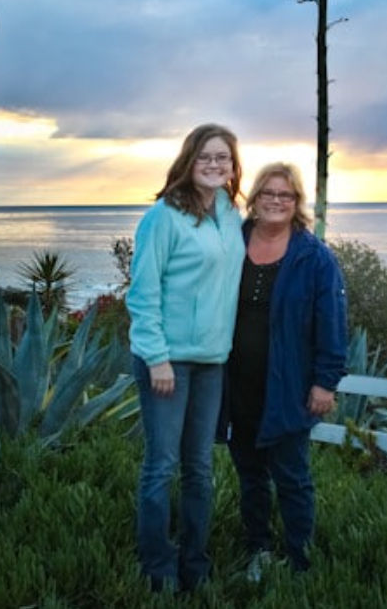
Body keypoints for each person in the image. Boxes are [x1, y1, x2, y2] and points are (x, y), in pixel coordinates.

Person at [126, 123, 245, 594]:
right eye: (206, 157)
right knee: (161, 465)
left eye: (224, 158)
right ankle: (158, 565)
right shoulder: (163, 216)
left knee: (200, 467)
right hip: (167, 363)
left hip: (212, 362)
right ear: (188, 162)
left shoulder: (230, 214)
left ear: (234, 167)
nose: (215, 165)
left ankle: (195, 561)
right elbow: (142, 292)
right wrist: (157, 358)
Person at [226, 162, 347, 578]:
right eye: (268, 194)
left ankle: (300, 560)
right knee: (251, 475)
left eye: (286, 196)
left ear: (296, 204)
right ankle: (258, 548)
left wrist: (325, 382)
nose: (276, 201)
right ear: (254, 198)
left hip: (290, 386)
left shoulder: (314, 257)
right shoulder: (231, 242)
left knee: (292, 476)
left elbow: (332, 322)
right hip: (236, 384)